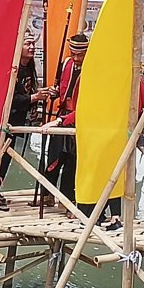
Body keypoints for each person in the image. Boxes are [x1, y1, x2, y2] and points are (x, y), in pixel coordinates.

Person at [0, 33, 48, 210]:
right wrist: (33, 98)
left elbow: (29, 92)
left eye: (33, 43)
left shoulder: (30, 67)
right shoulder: (13, 69)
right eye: (27, 43)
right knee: (0, 156)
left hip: (21, 117)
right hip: (7, 118)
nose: (32, 47)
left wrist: (39, 96)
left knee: (8, 157)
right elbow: (10, 97)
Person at [41, 34, 87, 206]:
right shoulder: (67, 63)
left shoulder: (91, 69)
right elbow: (62, 85)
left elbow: (86, 104)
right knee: (54, 155)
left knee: (72, 160)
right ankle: (47, 193)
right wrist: (54, 92)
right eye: (73, 53)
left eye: (80, 55)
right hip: (61, 113)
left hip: (79, 117)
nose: (76, 58)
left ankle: (68, 200)